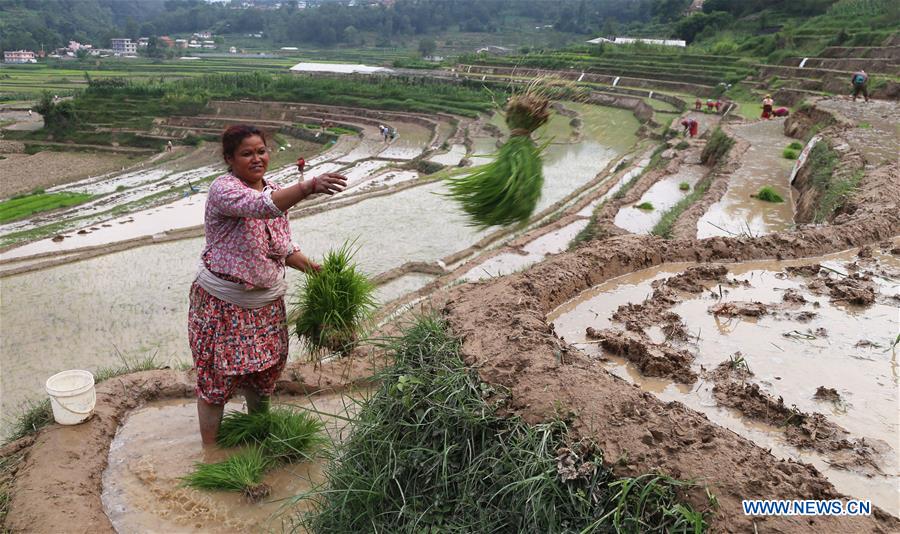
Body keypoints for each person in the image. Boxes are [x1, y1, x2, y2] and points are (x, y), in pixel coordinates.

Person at [188, 124, 347, 445]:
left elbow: (282, 246)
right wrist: (309, 186)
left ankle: (258, 433)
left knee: (262, 376)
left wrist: (314, 269)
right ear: (229, 158)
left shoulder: (272, 188)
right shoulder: (224, 190)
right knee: (216, 380)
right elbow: (261, 207)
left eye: (261, 151)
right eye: (247, 153)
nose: (257, 158)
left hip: (266, 307)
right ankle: (211, 451)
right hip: (225, 306)